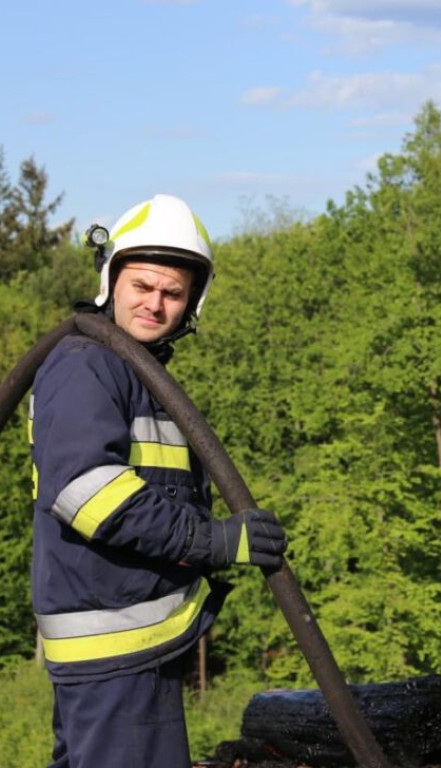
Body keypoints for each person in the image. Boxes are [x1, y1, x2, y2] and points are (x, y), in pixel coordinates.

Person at [30, 193, 288, 768]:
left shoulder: (130, 371)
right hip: (114, 651)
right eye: (142, 286)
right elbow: (86, 493)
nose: (155, 304)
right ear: (110, 281)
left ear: (193, 301)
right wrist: (215, 542)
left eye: (172, 293)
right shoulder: (86, 363)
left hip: (129, 650)